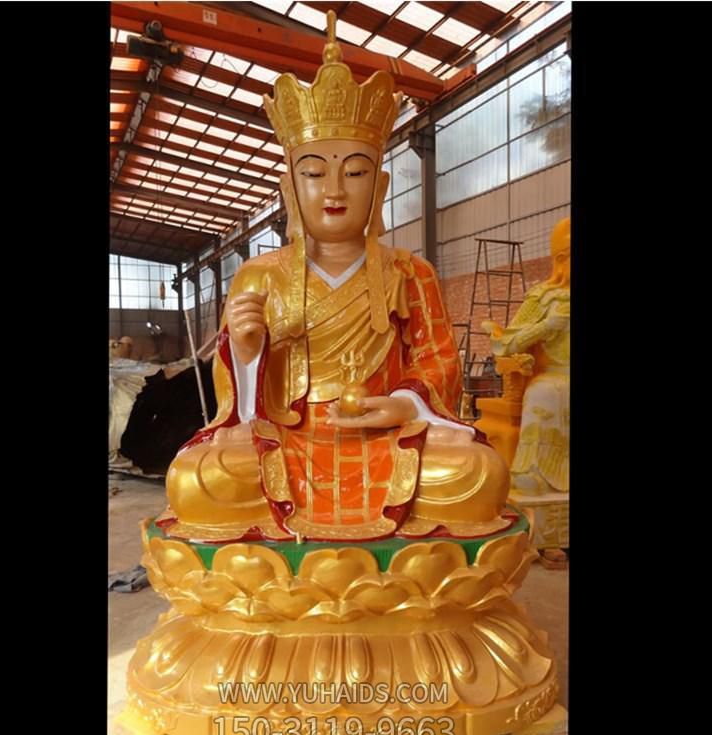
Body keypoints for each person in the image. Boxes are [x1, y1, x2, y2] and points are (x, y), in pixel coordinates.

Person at [162, 15, 511, 542]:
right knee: (197, 479)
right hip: (286, 438)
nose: (334, 190)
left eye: (355, 172)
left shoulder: (410, 271)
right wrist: (249, 353)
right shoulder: (259, 275)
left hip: (388, 435)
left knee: (478, 472)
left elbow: (437, 359)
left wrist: (404, 404)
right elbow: (237, 403)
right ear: (289, 187)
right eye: (313, 173)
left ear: (380, 185)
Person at [487, 218, 570, 495]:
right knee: (545, 394)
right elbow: (506, 344)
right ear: (562, 260)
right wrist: (546, 326)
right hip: (553, 376)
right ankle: (534, 473)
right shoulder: (543, 297)